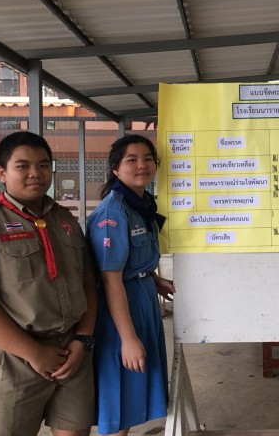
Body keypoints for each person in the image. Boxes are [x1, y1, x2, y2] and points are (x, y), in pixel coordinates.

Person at [0, 131, 97, 436]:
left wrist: (83, 340)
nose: (35, 173)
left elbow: (88, 282)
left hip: (71, 354)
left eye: (43, 165)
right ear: (2, 173)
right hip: (9, 360)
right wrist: (34, 353)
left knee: (76, 431)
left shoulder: (65, 220)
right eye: (23, 166)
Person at [86, 134, 175, 436]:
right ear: (115, 168)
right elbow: (110, 277)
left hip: (142, 298)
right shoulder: (112, 212)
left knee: (135, 390)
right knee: (120, 396)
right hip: (121, 309)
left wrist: (153, 278)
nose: (142, 165)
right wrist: (127, 338)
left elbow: (131, 259)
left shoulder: (141, 204)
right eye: (132, 160)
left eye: (148, 159)